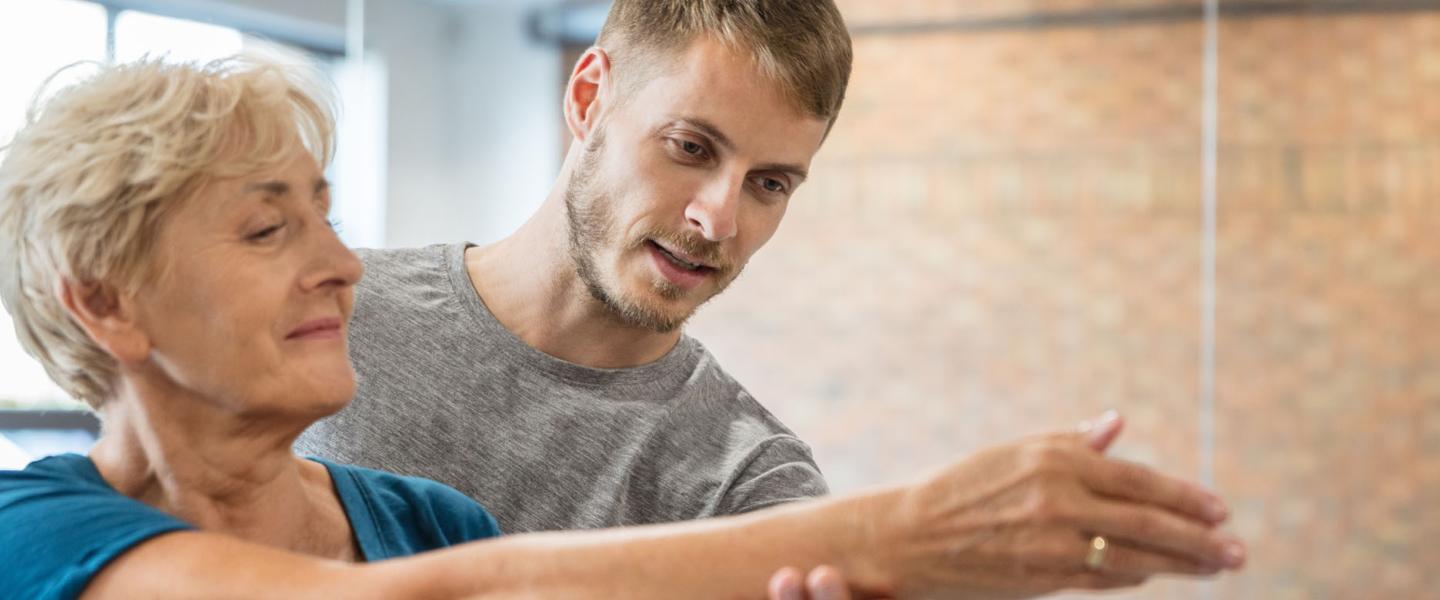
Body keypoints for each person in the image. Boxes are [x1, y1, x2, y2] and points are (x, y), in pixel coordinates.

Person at [0, 57, 1241, 600]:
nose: (339, 265)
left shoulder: (430, 523)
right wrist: (911, 530)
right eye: (271, 230)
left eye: (773, 182)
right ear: (105, 302)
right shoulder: (32, 529)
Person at [291, 1, 1246, 592]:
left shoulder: (752, 485)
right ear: (588, 100)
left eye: (770, 183)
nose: (719, 218)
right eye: (690, 147)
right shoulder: (326, 313)